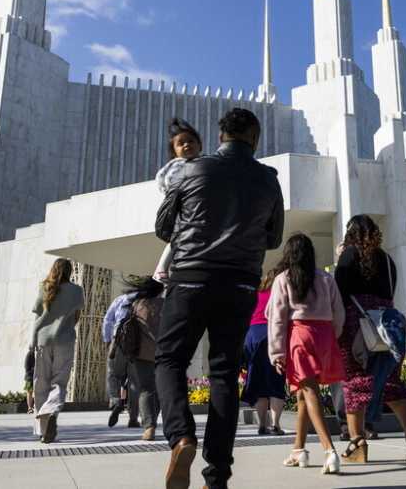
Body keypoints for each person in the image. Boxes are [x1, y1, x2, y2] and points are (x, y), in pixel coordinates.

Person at [155, 108, 285, 489]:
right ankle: (218, 476)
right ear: (255, 137)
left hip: (192, 278)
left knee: (169, 359)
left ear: (221, 135)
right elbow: (274, 238)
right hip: (241, 284)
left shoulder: (193, 170)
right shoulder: (268, 179)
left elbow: (164, 226)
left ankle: (181, 437)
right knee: (224, 374)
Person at [334, 214, 406, 465]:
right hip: (388, 325)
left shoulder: (349, 255)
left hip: (357, 325)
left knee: (355, 382)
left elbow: (339, 292)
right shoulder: (387, 260)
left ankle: (357, 444)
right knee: (391, 380)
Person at [266, 234, 345, 474]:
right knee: (303, 395)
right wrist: (334, 336)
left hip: (299, 336)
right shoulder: (325, 278)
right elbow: (338, 312)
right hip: (325, 335)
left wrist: (276, 352)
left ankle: (329, 450)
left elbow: (277, 319)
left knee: (309, 394)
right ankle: (298, 449)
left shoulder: (283, 279)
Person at [31, 258, 84, 444]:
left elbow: (38, 318)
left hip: (42, 340)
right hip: (65, 341)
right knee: (59, 382)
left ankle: (44, 430)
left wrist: (32, 343)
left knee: (41, 384)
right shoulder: (77, 291)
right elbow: (77, 317)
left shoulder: (44, 287)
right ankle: (51, 410)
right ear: (70, 271)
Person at [154, 118, 203, 282]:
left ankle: (163, 269)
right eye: (181, 143)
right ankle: (161, 268)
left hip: (192, 210)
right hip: (182, 210)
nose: (187, 145)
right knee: (176, 239)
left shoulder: (203, 163)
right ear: (174, 150)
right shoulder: (177, 165)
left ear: (199, 145)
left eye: (191, 141)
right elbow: (166, 181)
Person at [242, 263, 287, 436]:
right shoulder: (280, 292)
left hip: (252, 335)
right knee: (276, 379)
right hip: (272, 333)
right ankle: (275, 425)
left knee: (259, 381)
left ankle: (262, 424)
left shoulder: (257, 292)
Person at [118, 276, 165, 442]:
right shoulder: (165, 305)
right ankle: (153, 420)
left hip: (141, 354)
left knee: (146, 389)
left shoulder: (137, 305)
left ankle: (149, 427)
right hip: (163, 354)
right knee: (160, 390)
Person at [102, 286, 140, 428]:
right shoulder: (143, 301)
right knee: (134, 382)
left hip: (118, 341)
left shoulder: (120, 300)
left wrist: (107, 340)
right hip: (137, 346)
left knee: (113, 375)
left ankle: (116, 400)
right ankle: (133, 418)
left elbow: (108, 320)